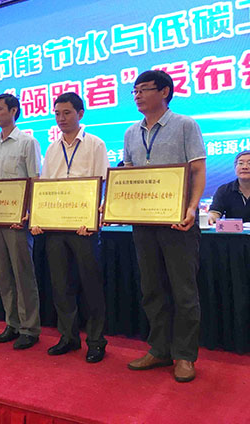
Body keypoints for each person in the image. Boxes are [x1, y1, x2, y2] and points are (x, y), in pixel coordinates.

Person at [123, 70, 206, 383]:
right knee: (152, 288)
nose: (138, 96)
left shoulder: (185, 125)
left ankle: (185, 355)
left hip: (177, 222)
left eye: (144, 89)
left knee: (183, 290)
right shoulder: (130, 132)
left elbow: (197, 170)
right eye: (135, 91)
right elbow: (128, 173)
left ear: (165, 91)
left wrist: (192, 208)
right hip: (144, 223)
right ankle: (159, 349)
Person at [31, 92, 108, 363]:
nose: (61, 118)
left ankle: (96, 341)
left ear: (80, 113)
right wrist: (38, 218)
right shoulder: (52, 148)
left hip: (84, 226)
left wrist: (94, 220)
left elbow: (101, 183)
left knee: (91, 285)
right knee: (61, 284)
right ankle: (69, 337)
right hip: (55, 226)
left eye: (67, 113)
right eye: (57, 114)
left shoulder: (95, 144)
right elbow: (45, 187)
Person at [0, 93, 41, 350]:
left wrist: (28, 214)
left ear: (14, 110)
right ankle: (12, 323)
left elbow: (34, 180)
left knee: (22, 274)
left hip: (17, 220)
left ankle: (30, 328)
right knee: (4, 274)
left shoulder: (27, 142)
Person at [208, 150, 250, 224]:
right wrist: (211, 217)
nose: (245, 167)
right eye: (240, 163)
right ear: (235, 168)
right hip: (233, 231)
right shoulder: (224, 190)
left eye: (249, 163)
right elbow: (215, 212)